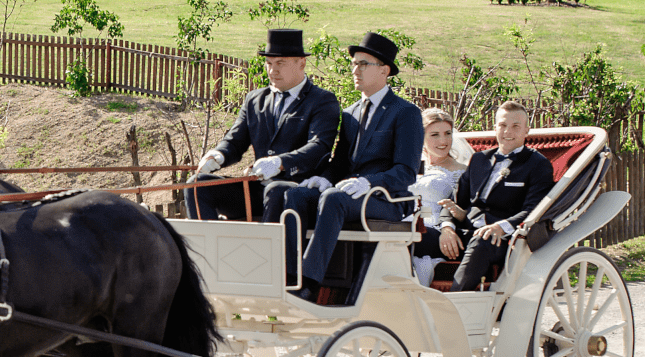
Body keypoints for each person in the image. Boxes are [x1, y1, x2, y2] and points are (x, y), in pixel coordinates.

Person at [292, 32, 422, 300]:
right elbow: (340, 163)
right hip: (350, 193)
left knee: (333, 198)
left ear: (384, 70)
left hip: (386, 199)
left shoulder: (405, 112)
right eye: (354, 63)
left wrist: (369, 182)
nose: (355, 69)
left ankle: (309, 284)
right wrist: (324, 177)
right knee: (295, 194)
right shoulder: (350, 113)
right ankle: (288, 274)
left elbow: (406, 171)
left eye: (364, 64)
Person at [185, 28, 340, 222]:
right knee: (196, 185)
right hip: (256, 188)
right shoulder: (254, 100)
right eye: (269, 63)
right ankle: (207, 249)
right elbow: (235, 141)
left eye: (280, 63)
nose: (272, 70)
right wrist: (218, 155)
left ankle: (267, 251)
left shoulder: (322, 100)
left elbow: (319, 146)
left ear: (302, 63)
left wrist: (280, 162)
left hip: (296, 189)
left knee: (276, 191)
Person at [444, 101, 555, 292]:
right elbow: (454, 199)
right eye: (502, 125)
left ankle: (450, 306)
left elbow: (533, 211)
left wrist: (500, 227)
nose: (507, 131)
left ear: (526, 130)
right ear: (495, 127)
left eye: (515, 126)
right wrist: (447, 228)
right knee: (417, 237)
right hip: (466, 230)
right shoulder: (479, 159)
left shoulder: (537, 164)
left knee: (482, 240)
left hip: (502, 240)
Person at [407, 108, 472, 287]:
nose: (443, 141)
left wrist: (447, 229)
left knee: (402, 236)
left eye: (447, 134)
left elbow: (469, 210)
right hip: (408, 222)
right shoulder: (410, 166)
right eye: (434, 135)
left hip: (440, 232)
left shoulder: (462, 172)